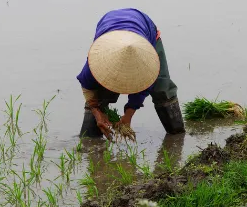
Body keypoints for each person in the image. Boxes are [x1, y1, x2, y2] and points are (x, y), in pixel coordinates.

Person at [77, 8, 185, 140]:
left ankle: (177, 135)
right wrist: (97, 113)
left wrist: (128, 115)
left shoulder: (146, 63)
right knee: (100, 93)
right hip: (110, 33)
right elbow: (87, 86)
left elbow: (144, 87)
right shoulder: (96, 62)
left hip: (144, 29)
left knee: (161, 87)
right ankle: (90, 139)